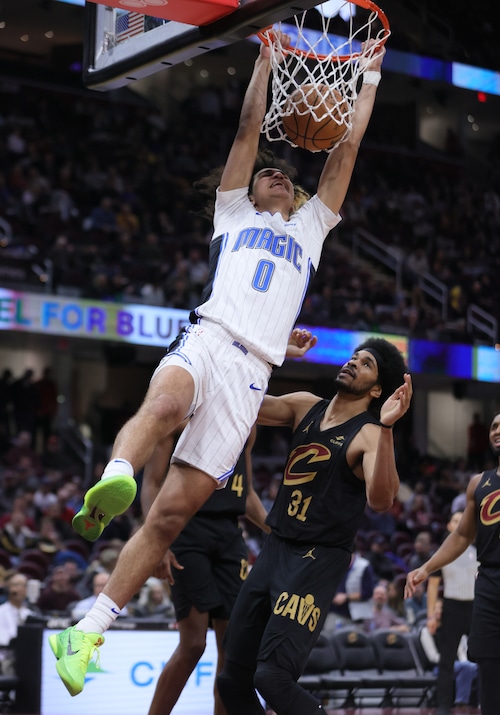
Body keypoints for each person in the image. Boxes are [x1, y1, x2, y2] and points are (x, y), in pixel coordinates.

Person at [50, 32, 386, 698]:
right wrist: (265, 62)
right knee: (164, 407)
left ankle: (85, 631)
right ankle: (116, 473)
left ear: (294, 196)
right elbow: (246, 129)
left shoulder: (312, 228)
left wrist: (367, 81)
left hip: (253, 374)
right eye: (268, 171)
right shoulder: (232, 212)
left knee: (170, 518)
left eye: (284, 174)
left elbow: (345, 151)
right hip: (209, 336)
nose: (277, 173)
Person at [216, 337, 412, 715]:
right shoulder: (305, 405)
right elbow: (244, 402)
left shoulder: (370, 433)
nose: (354, 362)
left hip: (317, 557)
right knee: (230, 679)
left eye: (367, 363)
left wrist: (387, 429)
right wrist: (271, 354)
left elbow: (382, 501)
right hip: (276, 547)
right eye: (354, 356)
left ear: (376, 389)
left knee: (271, 677)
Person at [145, 425, 270, 715]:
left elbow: (246, 491)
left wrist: (275, 530)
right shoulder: (179, 419)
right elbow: (151, 483)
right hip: (186, 531)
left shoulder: (246, 425)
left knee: (232, 648)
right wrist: (156, 541)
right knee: (193, 645)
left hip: (229, 535)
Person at [405, 411, 500, 715]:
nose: (497, 430)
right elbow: (461, 536)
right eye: (495, 426)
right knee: (487, 665)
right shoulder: (478, 484)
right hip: (487, 582)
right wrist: (426, 568)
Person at [416, 509, 478, 715]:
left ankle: (483, 702)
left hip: (476, 608)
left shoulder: (479, 549)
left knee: (485, 657)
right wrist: (432, 615)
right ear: (449, 526)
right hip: (452, 607)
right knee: (446, 660)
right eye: (455, 520)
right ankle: (443, 706)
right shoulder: (442, 553)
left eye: (463, 520)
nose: (459, 523)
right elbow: (433, 587)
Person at [418, 599, 479, 712]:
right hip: (437, 667)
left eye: (442, 608)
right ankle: (461, 705)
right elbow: (432, 657)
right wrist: (452, 662)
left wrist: (464, 663)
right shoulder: (426, 632)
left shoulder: (454, 629)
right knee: (465, 667)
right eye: (437, 608)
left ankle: (479, 704)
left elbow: (461, 652)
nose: (439, 611)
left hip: (459, 665)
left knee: (479, 668)